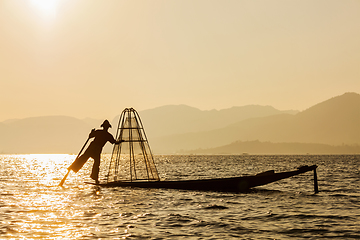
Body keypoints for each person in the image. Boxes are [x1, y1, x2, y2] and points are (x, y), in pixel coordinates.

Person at [68, 120, 121, 184]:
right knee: (84, 158)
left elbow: (114, 142)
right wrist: (91, 132)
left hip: (96, 149)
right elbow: (90, 136)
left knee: (91, 160)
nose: (106, 128)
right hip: (93, 148)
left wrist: (119, 141)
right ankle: (73, 167)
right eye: (106, 127)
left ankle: (94, 177)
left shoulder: (107, 135)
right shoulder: (103, 133)